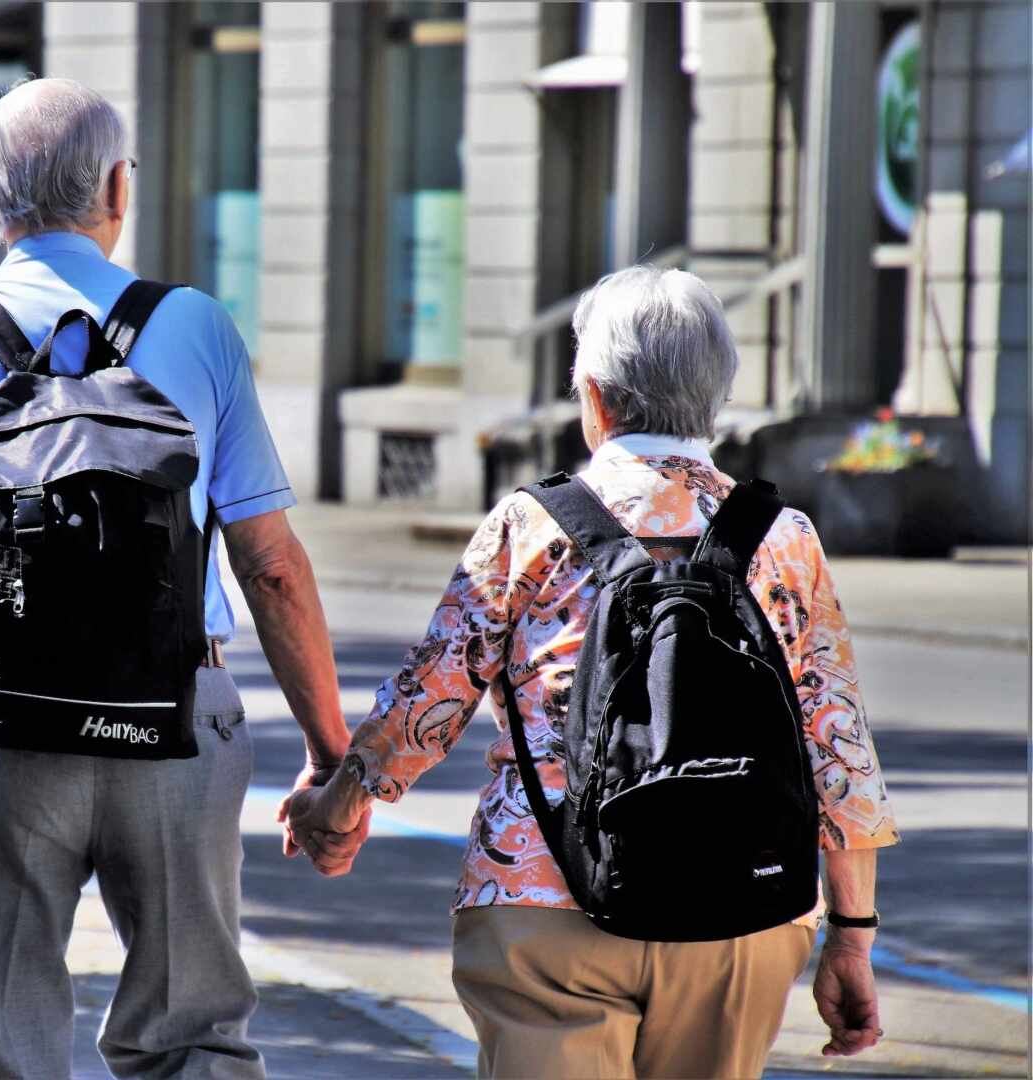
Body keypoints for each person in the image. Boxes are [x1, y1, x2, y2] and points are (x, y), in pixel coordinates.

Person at [0, 78, 362, 1079]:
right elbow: (272, 569)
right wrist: (335, 758)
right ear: (119, 189)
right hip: (176, 725)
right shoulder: (196, 330)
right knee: (192, 1032)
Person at [283, 265, 899, 1078]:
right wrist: (851, 934)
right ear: (715, 396)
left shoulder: (531, 525)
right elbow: (838, 746)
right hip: (741, 913)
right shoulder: (783, 537)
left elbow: (428, 702)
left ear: (597, 397)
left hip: (546, 899)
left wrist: (339, 800)